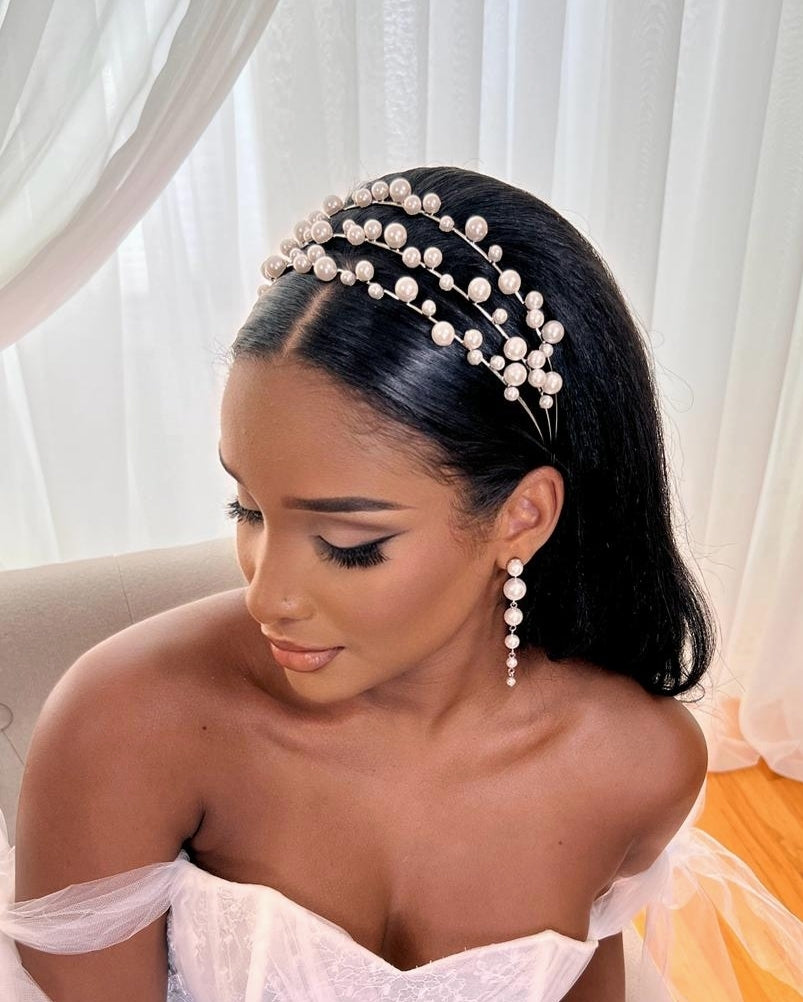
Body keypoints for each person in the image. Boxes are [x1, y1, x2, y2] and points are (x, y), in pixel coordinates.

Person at [0, 165, 800, 1001]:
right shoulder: (131, 721)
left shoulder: (638, 762)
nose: (267, 597)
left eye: (348, 543)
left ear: (521, 517)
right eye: (247, 508)